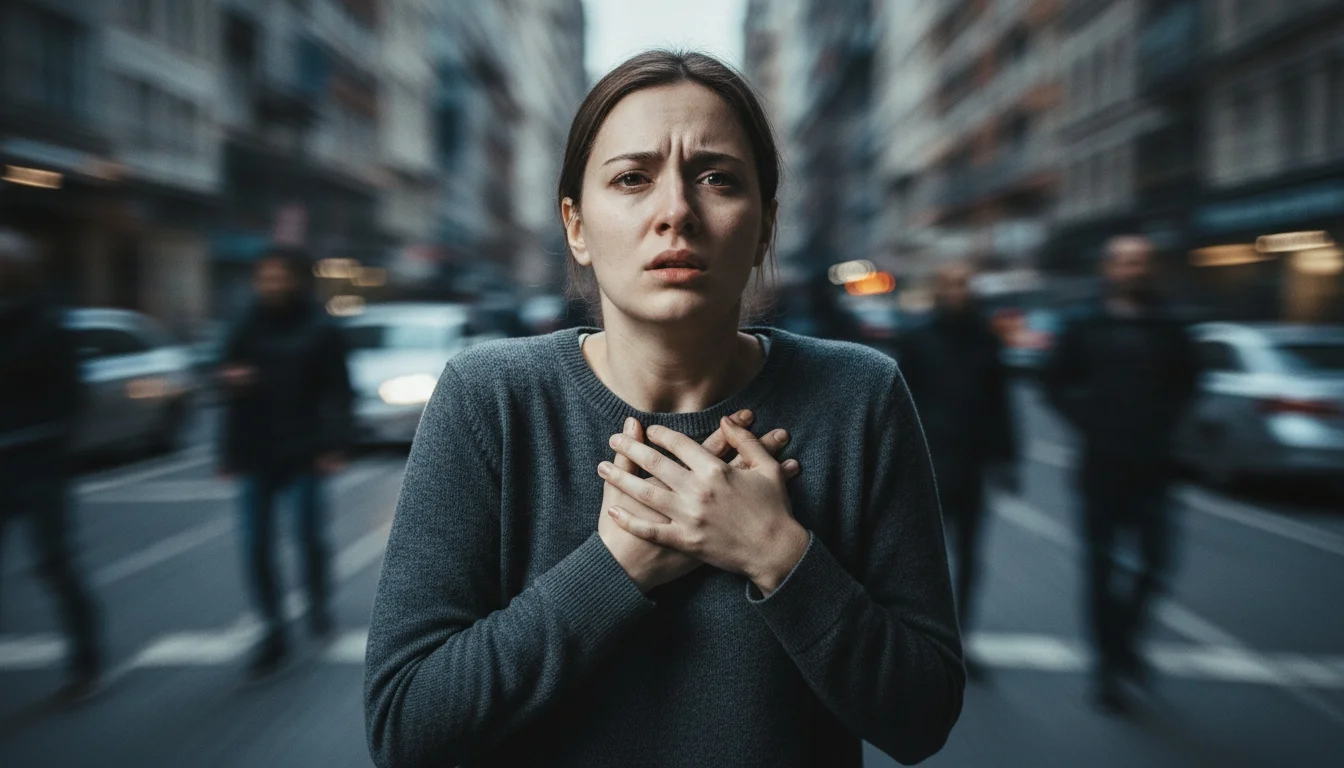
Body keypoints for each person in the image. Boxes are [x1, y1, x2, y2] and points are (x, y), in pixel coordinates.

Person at [364, 51, 963, 768]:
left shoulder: (860, 396)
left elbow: (922, 718)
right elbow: (406, 726)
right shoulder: (489, 399)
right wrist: (618, 566)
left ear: (765, 226)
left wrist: (778, 554)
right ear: (576, 226)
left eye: (717, 178)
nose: (675, 210)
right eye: (631, 178)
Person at [1043, 235, 1197, 714]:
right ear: (1109, 268)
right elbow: (1055, 382)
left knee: (1157, 563)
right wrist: (1090, 418)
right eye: (1125, 261)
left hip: (1154, 467)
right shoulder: (1084, 325)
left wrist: (1166, 425)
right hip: (1102, 465)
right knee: (1101, 567)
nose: (1134, 269)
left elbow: (1188, 383)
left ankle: (1124, 642)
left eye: (1142, 261)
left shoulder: (1169, 326)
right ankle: (1108, 668)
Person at [218, 246, 353, 679]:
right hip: (258, 451)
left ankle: (317, 603)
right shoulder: (245, 324)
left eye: (278, 277)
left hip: (306, 450)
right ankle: (273, 630)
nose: (271, 285)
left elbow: (339, 390)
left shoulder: (319, 327)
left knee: (308, 536)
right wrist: (229, 449)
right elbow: (227, 386)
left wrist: (335, 445)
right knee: (256, 545)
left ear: (295, 279)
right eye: (265, 278)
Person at [898, 263, 1016, 680]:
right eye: (951, 285)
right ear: (938, 290)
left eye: (965, 284)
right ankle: (921, 641)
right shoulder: (918, 340)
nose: (959, 292)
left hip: (971, 465)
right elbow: (899, 403)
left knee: (969, 558)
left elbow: (1001, 403)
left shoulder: (986, 340)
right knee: (920, 559)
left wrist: (1007, 458)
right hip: (925, 465)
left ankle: (956, 641)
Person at [0, 229, 102, 704]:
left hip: (37, 461)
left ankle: (86, 659)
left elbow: (70, 396)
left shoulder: (47, 323)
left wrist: (48, 438)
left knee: (55, 563)